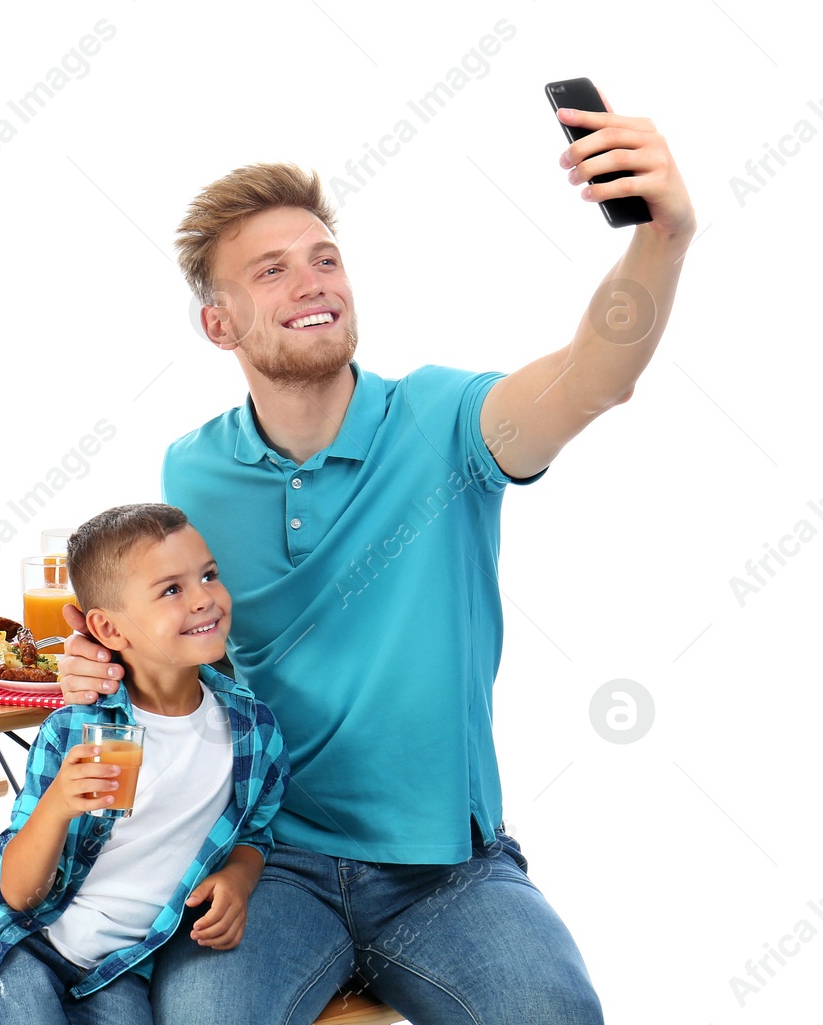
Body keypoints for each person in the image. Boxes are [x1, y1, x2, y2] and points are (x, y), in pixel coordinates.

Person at [58, 104, 694, 1023]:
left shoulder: (445, 424)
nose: (312, 282)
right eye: (269, 271)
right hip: (266, 862)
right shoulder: (191, 470)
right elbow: (192, 659)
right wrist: (109, 664)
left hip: (446, 868)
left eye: (324, 258)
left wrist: (662, 239)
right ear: (218, 323)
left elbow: (597, 373)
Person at [0, 503, 287, 1025]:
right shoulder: (78, 729)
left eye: (208, 575)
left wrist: (238, 876)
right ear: (109, 629)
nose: (205, 598)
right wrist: (56, 806)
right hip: (29, 945)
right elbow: (19, 894)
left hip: (119, 968)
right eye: (172, 589)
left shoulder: (251, 731)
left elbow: (257, 832)